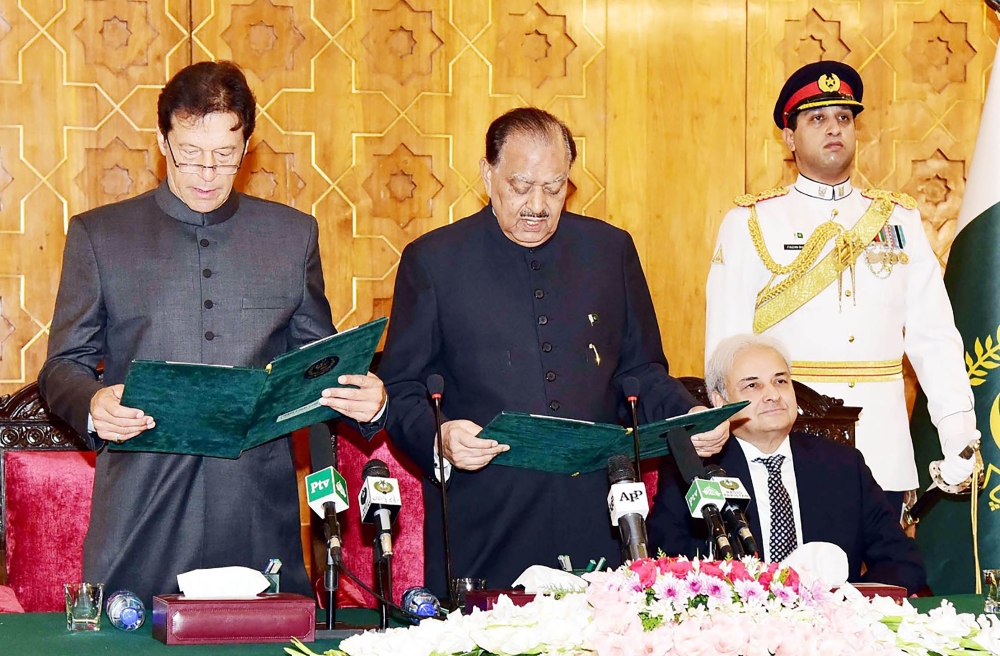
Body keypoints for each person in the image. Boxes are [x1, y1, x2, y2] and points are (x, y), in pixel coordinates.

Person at [38, 61, 387, 604]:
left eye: (225, 156)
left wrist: (365, 395)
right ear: (163, 141)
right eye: (190, 154)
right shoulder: (100, 236)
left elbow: (319, 364)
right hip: (140, 502)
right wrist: (93, 401)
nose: (206, 173)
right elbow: (63, 365)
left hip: (256, 507)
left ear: (247, 146)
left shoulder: (292, 236)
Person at [378, 107, 729, 598]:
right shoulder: (434, 261)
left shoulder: (610, 251)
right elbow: (401, 388)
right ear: (487, 174)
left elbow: (641, 372)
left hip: (597, 515)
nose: (538, 205)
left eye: (555, 186)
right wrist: (440, 437)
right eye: (521, 186)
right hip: (485, 514)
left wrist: (686, 417)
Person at [705, 60, 977, 509]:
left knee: (887, 579)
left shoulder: (899, 219)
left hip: (884, 448)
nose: (834, 128)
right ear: (789, 138)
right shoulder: (751, 222)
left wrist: (959, 432)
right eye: (817, 118)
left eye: (844, 118)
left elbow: (935, 339)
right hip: (788, 444)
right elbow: (725, 351)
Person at [649, 334, 927, 593]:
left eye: (780, 381)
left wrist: (849, 606)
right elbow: (666, 566)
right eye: (752, 385)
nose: (772, 394)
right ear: (720, 401)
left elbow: (902, 563)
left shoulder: (842, 466)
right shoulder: (692, 471)